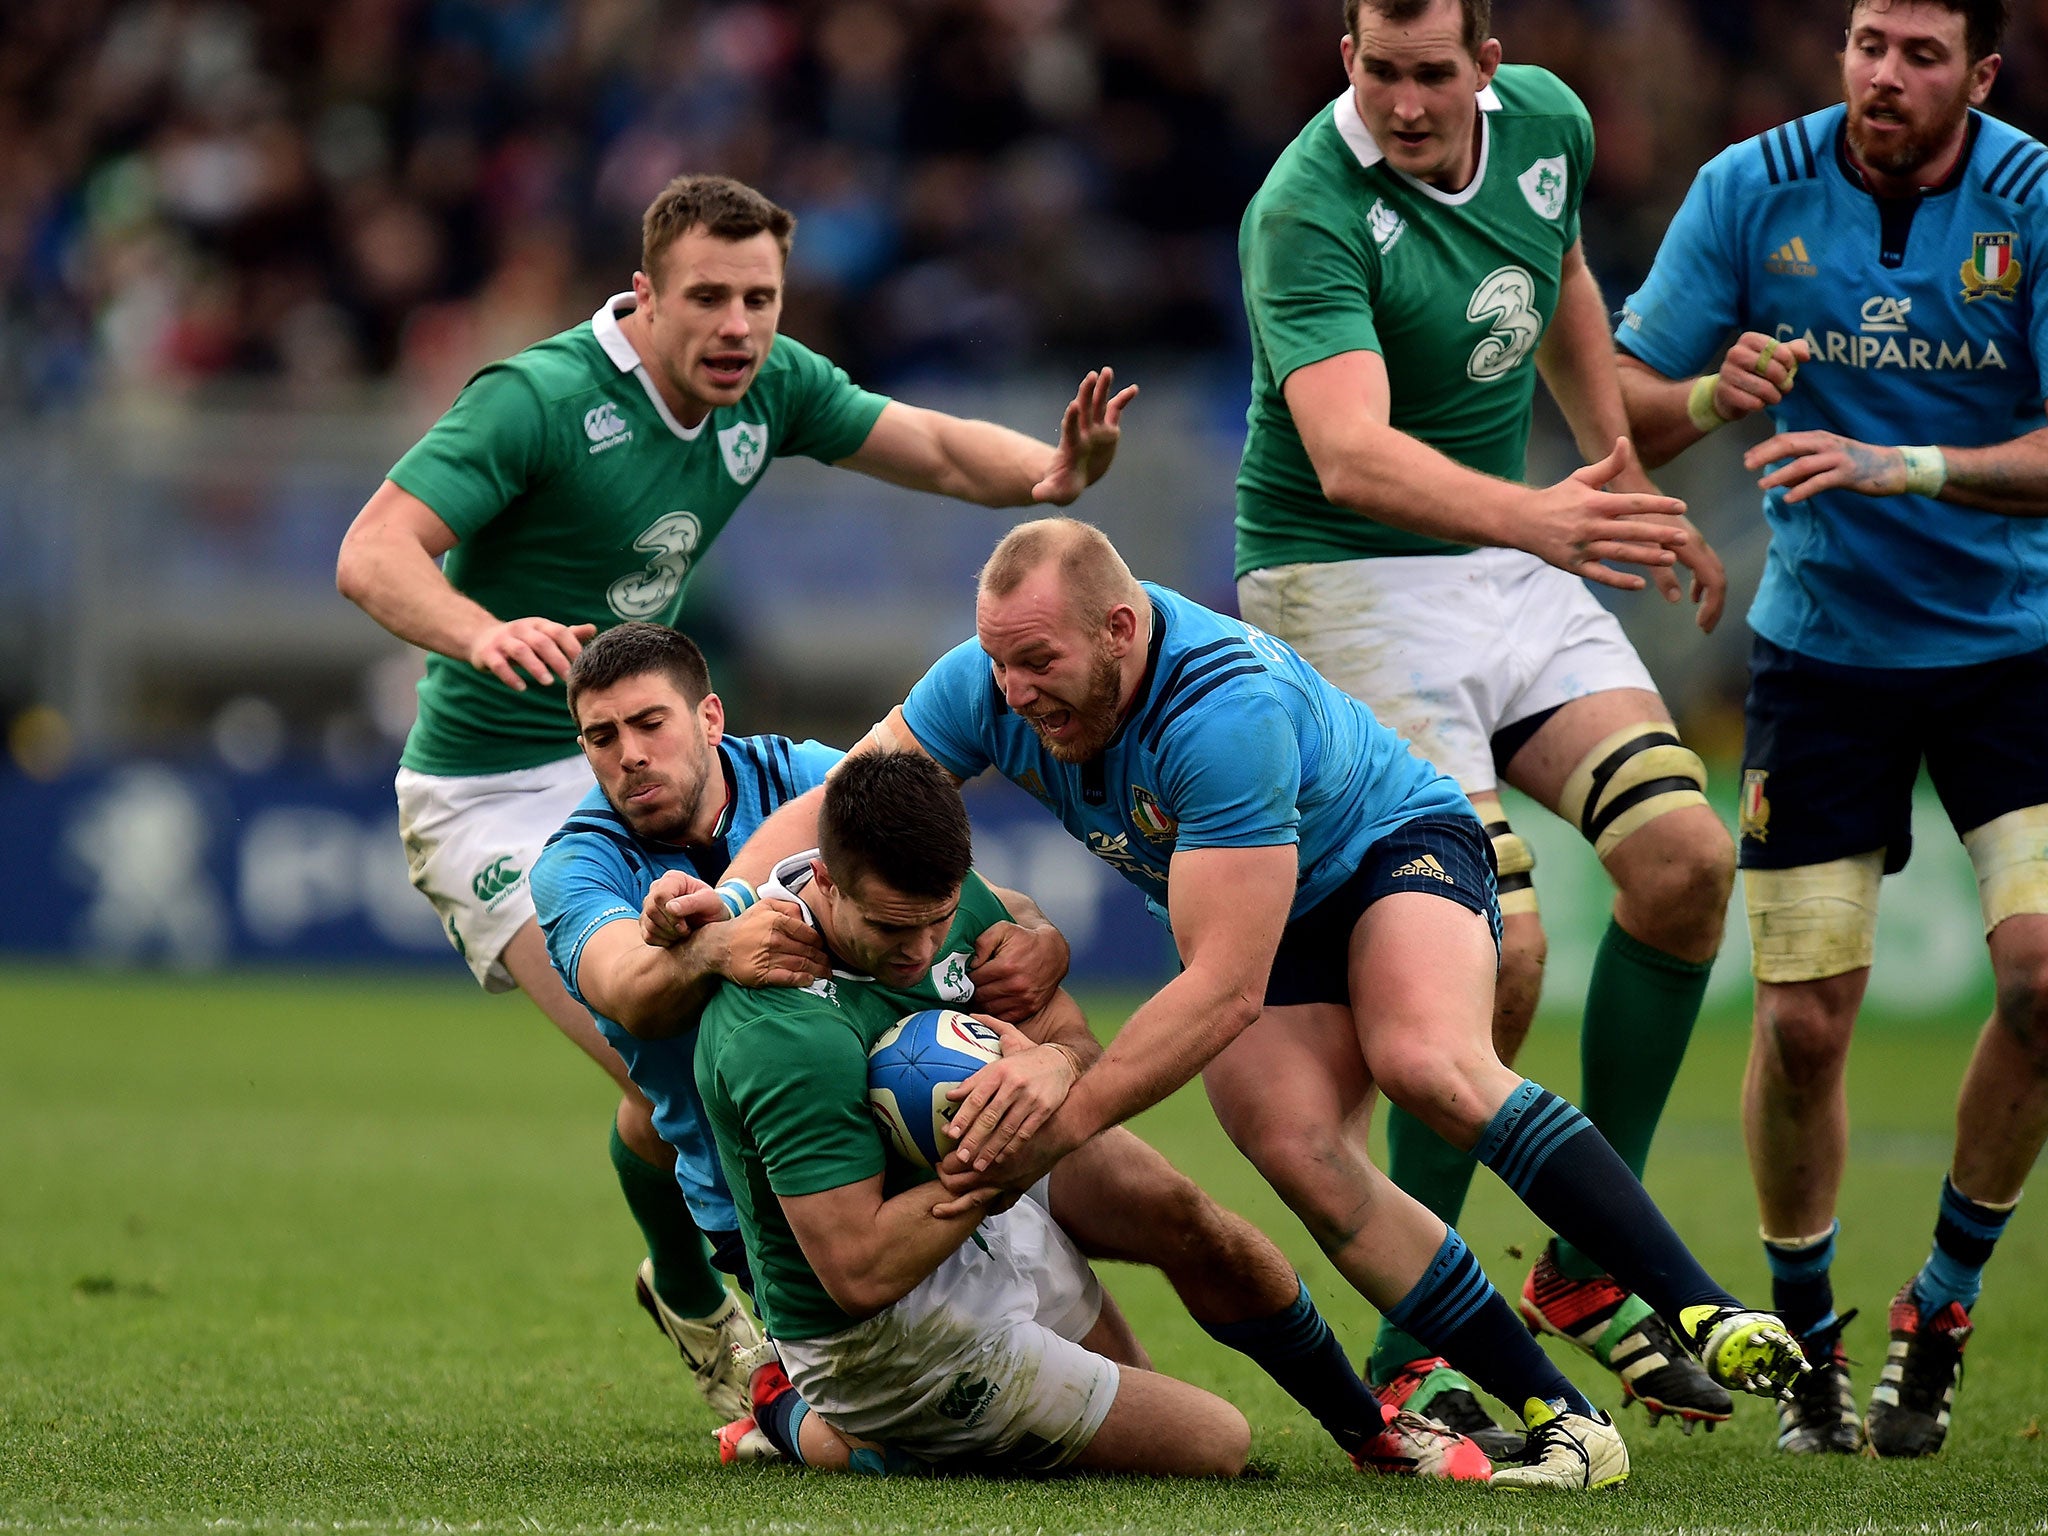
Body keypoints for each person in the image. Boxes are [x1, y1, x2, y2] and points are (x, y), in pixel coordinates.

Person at [334, 172, 1137, 1411]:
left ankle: (685, 1280)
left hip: (646, 755)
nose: (737, 326)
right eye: (707, 297)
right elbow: (372, 551)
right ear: (644, 295)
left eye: (759, 298)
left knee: (715, 1045)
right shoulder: (537, 400)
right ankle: (772, 1363)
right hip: (495, 791)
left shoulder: (768, 385)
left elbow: (915, 439)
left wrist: (1050, 474)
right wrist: (473, 633)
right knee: (675, 1044)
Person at [817, 518, 1809, 1491]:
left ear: (1118, 631)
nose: (1013, 691)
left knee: (1427, 1062)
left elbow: (1221, 991)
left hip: (1392, 847)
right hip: (1270, 914)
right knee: (1297, 1148)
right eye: (998, 663)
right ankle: (1563, 1419)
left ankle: (1702, 1308)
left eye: (1035, 660)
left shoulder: (1219, 711)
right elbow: (842, 796)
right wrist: (733, 907)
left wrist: (1053, 1123)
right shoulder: (987, 682)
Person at [1228, 0, 1741, 1442]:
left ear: (1488, 68)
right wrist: (1549, 518)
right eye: (1377, 72)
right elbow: (1347, 458)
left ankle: (1587, 1264)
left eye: (1430, 73)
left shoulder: (1552, 128)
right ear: (1347, 63)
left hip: (1508, 552)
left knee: (1686, 865)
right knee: (1495, 955)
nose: (1401, 101)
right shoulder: (1306, 205)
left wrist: (1620, 468)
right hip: (1341, 585)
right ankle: (1416, 1339)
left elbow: (1562, 271)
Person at [1614, 0, 2047, 1460]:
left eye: (1923, 54)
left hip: (2018, 651)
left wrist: (1905, 461)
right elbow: (1619, 397)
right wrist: (1699, 392)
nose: (1883, 73)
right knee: (1802, 1026)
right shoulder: (1750, 188)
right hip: (1821, 659)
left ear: (1979, 77)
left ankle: (1941, 1306)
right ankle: (1808, 1339)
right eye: (1869, 40)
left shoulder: (2034, 200)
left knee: (2047, 982)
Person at [694, 749, 1491, 1479]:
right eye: (892, 929)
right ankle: (812, 1421)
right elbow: (858, 1272)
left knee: (1181, 1212)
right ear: (825, 881)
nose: (922, 949)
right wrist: (995, 1176)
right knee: (1218, 1445)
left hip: (973, 1205)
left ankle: (1371, 1429)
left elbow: (1067, 1025)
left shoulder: (937, 894)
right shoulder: (785, 1030)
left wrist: (1055, 1055)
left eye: (938, 920)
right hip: (881, 1339)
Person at [528, 622, 1071, 1460]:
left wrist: (1042, 938)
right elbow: (627, 991)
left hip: (925, 1124)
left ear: (710, 717)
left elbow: (963, 891)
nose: (629, 754)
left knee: (1158, 1205)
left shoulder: (807, 779)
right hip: (772, 1201)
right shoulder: (577, 864)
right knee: (928, 1449)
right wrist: (714, 946)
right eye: (602, 736)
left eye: (650, 723)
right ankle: (775, 1401)